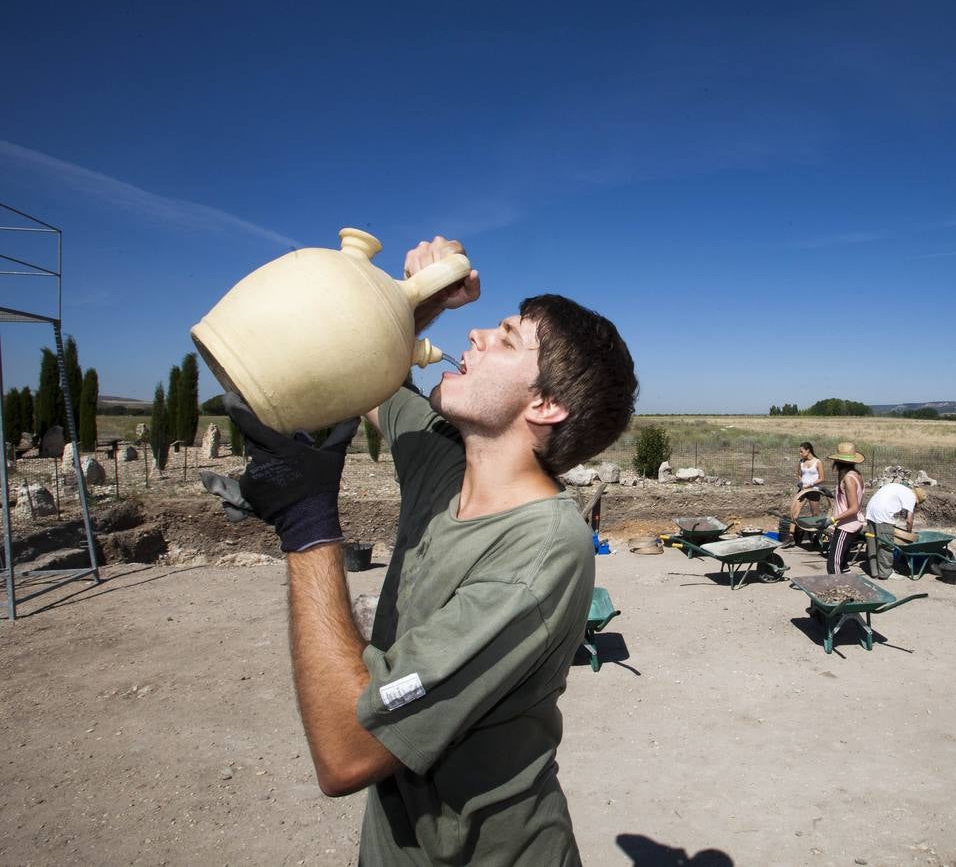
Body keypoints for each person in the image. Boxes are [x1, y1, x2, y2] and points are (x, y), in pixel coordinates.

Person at [202, 235, 638, 865]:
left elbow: (348, 753)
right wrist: (418, 304)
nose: (478, 335)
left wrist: (307, 523)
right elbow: (367, 369)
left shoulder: (540, 553)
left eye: (507, 338)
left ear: (545, 405)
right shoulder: (443, 459)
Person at [863, 482, 928, 579]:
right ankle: (886, 573)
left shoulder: (900, 488)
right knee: (886, 544)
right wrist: (909, 533)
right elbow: (909, 520)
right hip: (883, 513)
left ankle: (874, 572)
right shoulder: (911, 497)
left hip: (870, 510)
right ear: (917, 499)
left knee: (873, 542)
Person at [824, 441, 866, 574]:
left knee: (833, 565)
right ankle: (848, 586)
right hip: (851, 524)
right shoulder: (856, 474)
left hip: (846, 526)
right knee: (843, 562)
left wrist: (832, 519)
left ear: (838, 461)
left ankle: (838, 590)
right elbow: (848, 498)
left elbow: (853, 507)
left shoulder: (848, 478)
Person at [785, 442, 828, 546]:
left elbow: (822, 478)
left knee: (815, 515)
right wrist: (801, 482)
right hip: (803, 490)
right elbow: (799, 475)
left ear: (808, 450)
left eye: (801, 451)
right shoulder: (801, 461)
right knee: (794, 512)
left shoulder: (817, 462)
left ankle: (817, 536)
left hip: (813, 490)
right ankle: (791, 537)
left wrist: (811, 484)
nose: (800, 453)